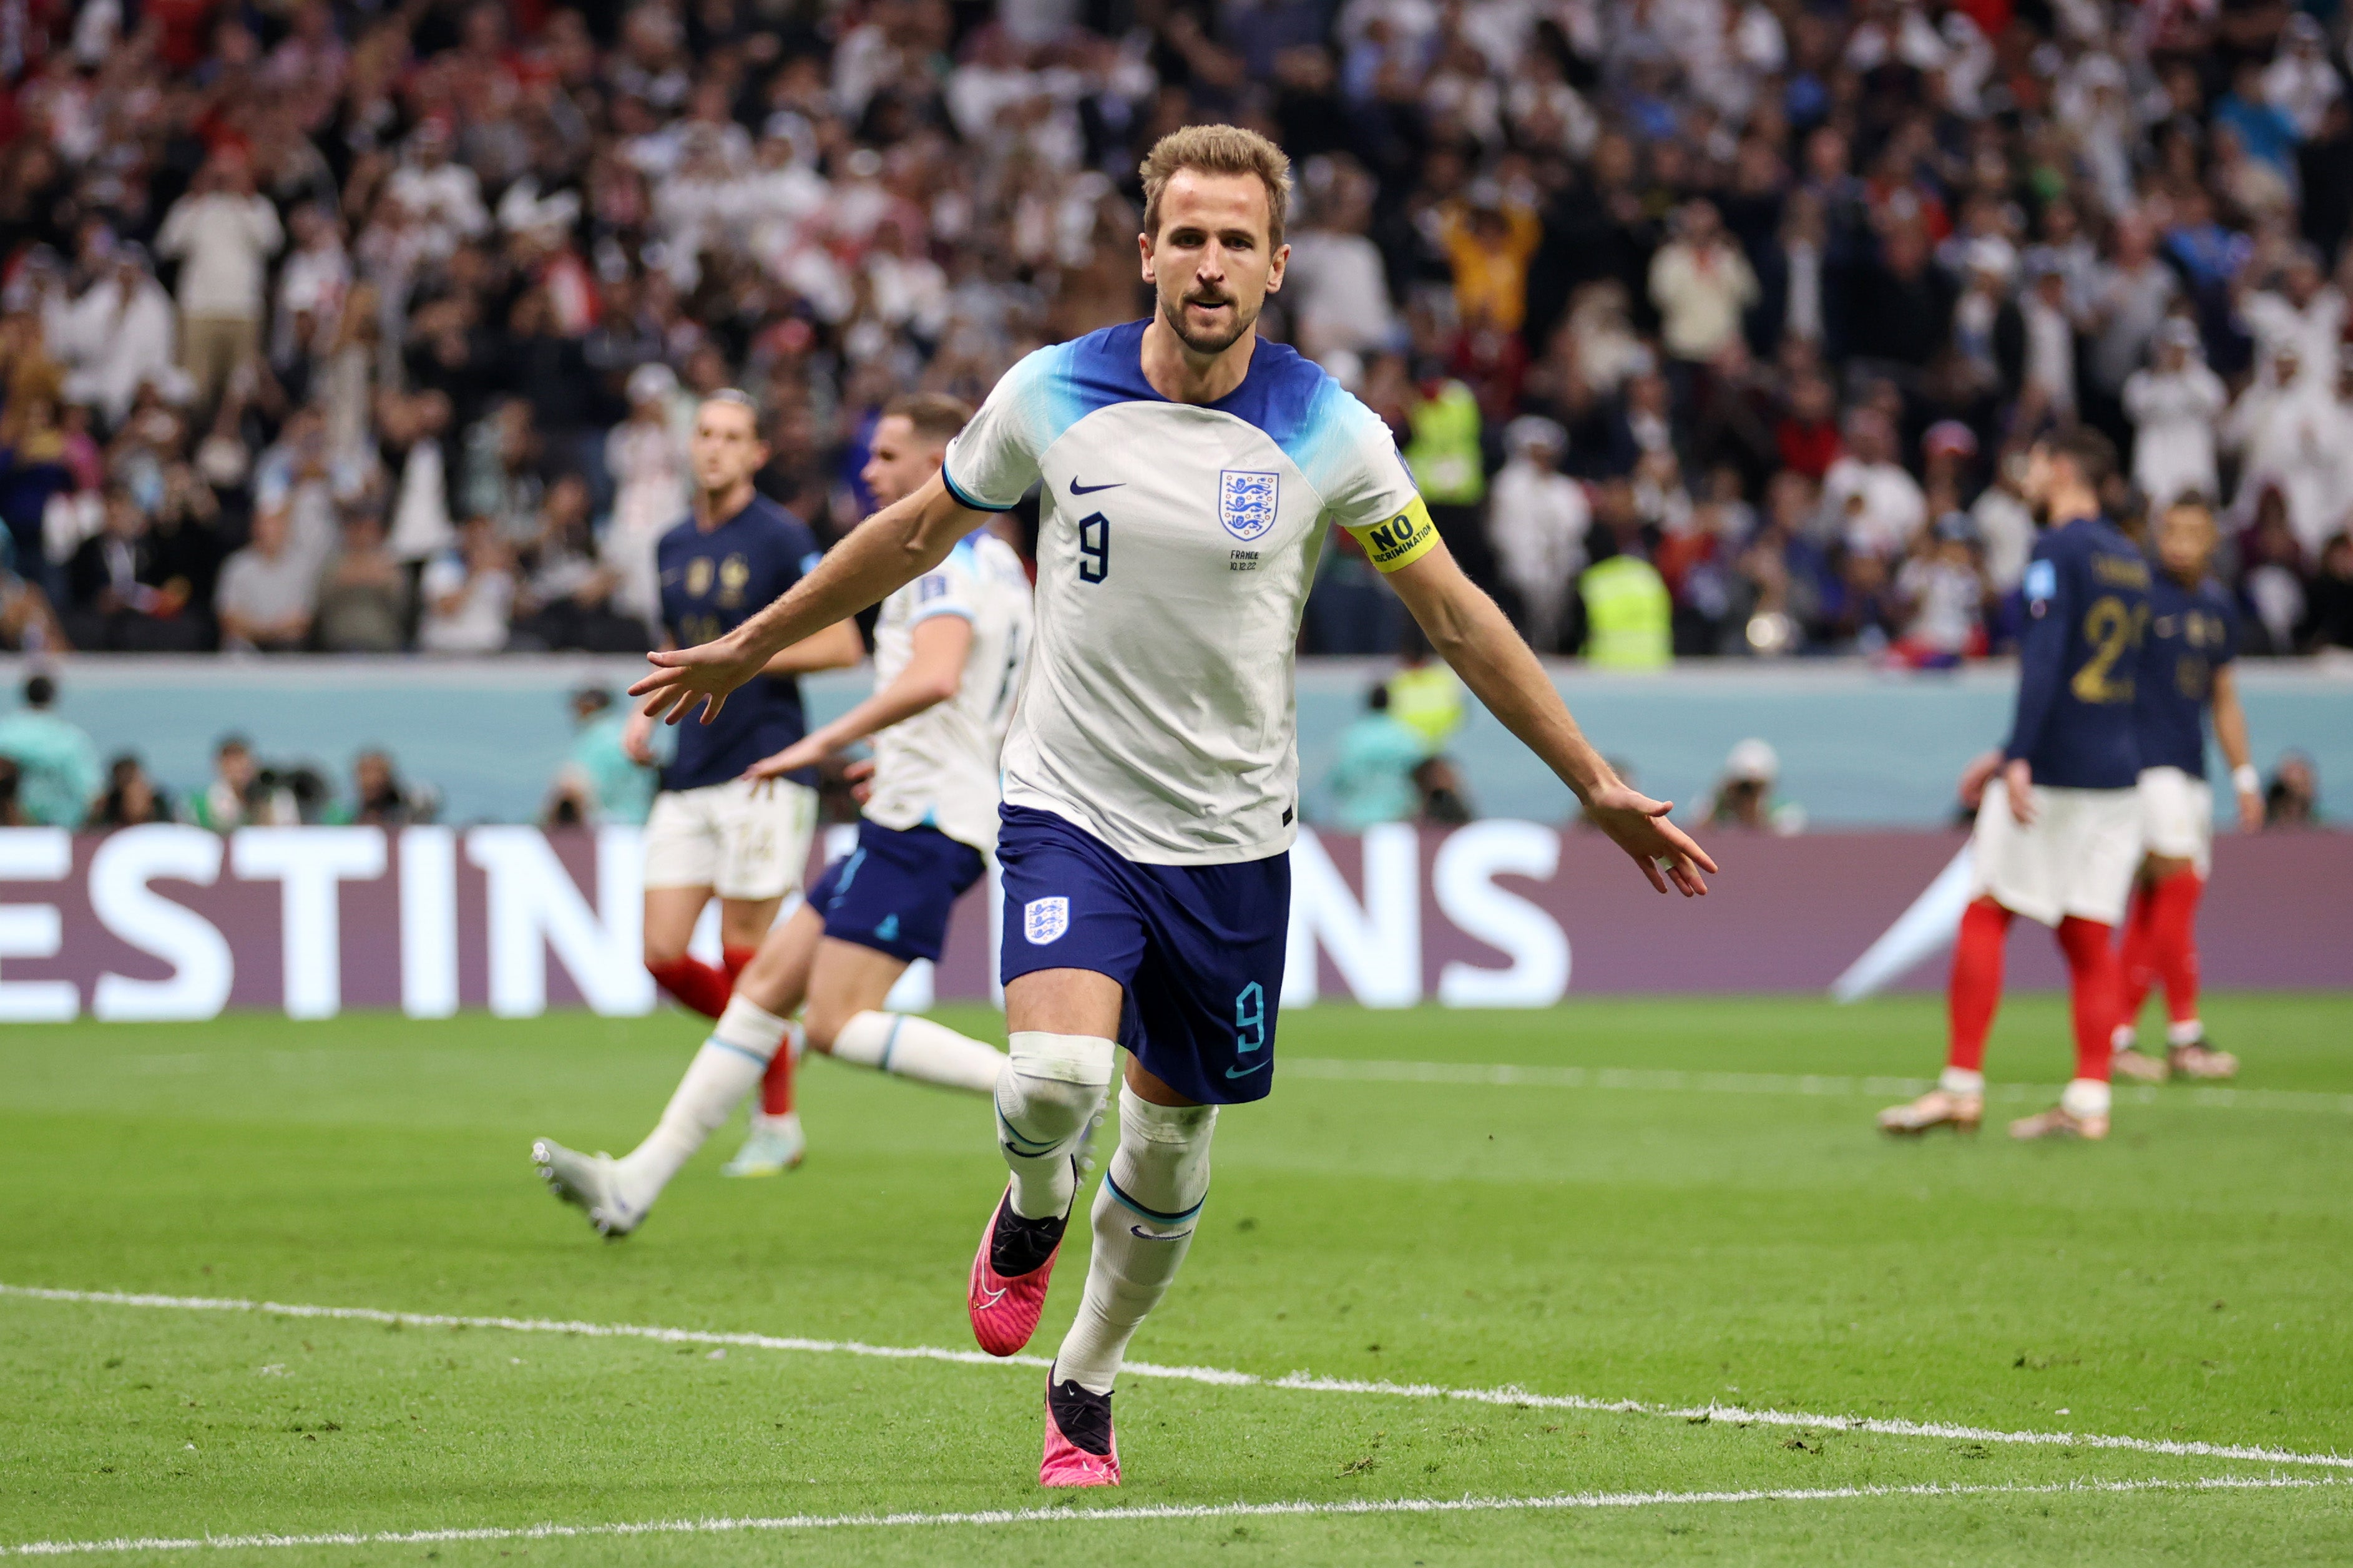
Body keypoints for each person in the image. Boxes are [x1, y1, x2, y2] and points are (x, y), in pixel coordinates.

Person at [626, 125, 1715, 1488]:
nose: (1208, 265)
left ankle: (1085, 1378)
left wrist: (1593, 779)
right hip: (1068, 804)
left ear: (1274, 266)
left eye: (1235, 242)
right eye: (1184, 237)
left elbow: (1453, 611)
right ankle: (1028, 1211)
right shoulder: (1047, 394)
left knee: (1171, 1134)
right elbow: (910, 534)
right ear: (1146, 252)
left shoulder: (1332, 428)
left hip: (1233, 839)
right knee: (1059, 1078)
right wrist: (749, 644)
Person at [535, 392, 1030, 1225]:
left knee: (835, 1023)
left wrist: (818, 744)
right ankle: (637, 1182)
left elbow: (937, 673)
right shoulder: (1004, 563)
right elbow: (985, 693)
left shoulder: (942, 557)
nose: (867, 470)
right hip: (916, 808)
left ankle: (1041, 1096)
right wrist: (898, 756)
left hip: (925, 823)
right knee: (763, 986)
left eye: (884, 455)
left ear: (938, 457)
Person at [1881, 429, 2146, 1144]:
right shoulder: (2130, 560)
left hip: (2055, 766)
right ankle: (2088, 1099)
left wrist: (2015, 754)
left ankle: (1960, 1088)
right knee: (2089, 936)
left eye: (2031, 465)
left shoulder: (2055, 550)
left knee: (1987, 909)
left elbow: (2044, 656)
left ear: (2060, 468)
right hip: (2119, 775)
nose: (2024, 478)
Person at [626, 390, 864, 1021]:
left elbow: (841, 645)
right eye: (705, 433)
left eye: (732, 437)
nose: (714, 448)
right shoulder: (669, 543)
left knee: (743, 951)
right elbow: (683, 639)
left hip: (765, 761)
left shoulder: (781, 536)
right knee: (661, 952)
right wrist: (643, 709)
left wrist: (741, 656)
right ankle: (772, 1043)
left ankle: (776, 1118)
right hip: (692, 763)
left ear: (757, 453)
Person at [2110, 498, 2259, 1084]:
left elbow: (2223, 696)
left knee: (2155, 904)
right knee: (2178, 888)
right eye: (2170, 530)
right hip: (2148, 766)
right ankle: (2185, 1035)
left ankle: (2119, 1035)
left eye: (2192, 532)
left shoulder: (2219, 607)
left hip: (2193, 769)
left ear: (2212, 538)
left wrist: (2243, 775)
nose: (2179, 542)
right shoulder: (2140, 596)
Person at [545, 687, 655, 827]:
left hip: (607, 830)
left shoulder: (592, 740)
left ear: (587, 707)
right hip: (644, 822)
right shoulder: (630, 733)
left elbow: (575, 789)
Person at [0, 675, 100, 828]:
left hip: (12, 828)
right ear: (53, 697)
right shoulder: (71, 739)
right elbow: (91, 792)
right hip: (60, 828)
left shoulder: (5, 732)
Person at [1325, 683, 1424, 830]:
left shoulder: (1351, 740)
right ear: (1391, 703)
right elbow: (1421, 782)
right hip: (1397, 819)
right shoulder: (1408, 739)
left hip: (1355, 821)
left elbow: (1338, 782)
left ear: (1367, 704)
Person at [1698, 738, 1805, 834]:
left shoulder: (1785, 813)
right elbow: (1697, 832)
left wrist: (1756, 815)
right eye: (1742, 785)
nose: (1747, 792)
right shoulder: (1718, 809)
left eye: (1755, 786)